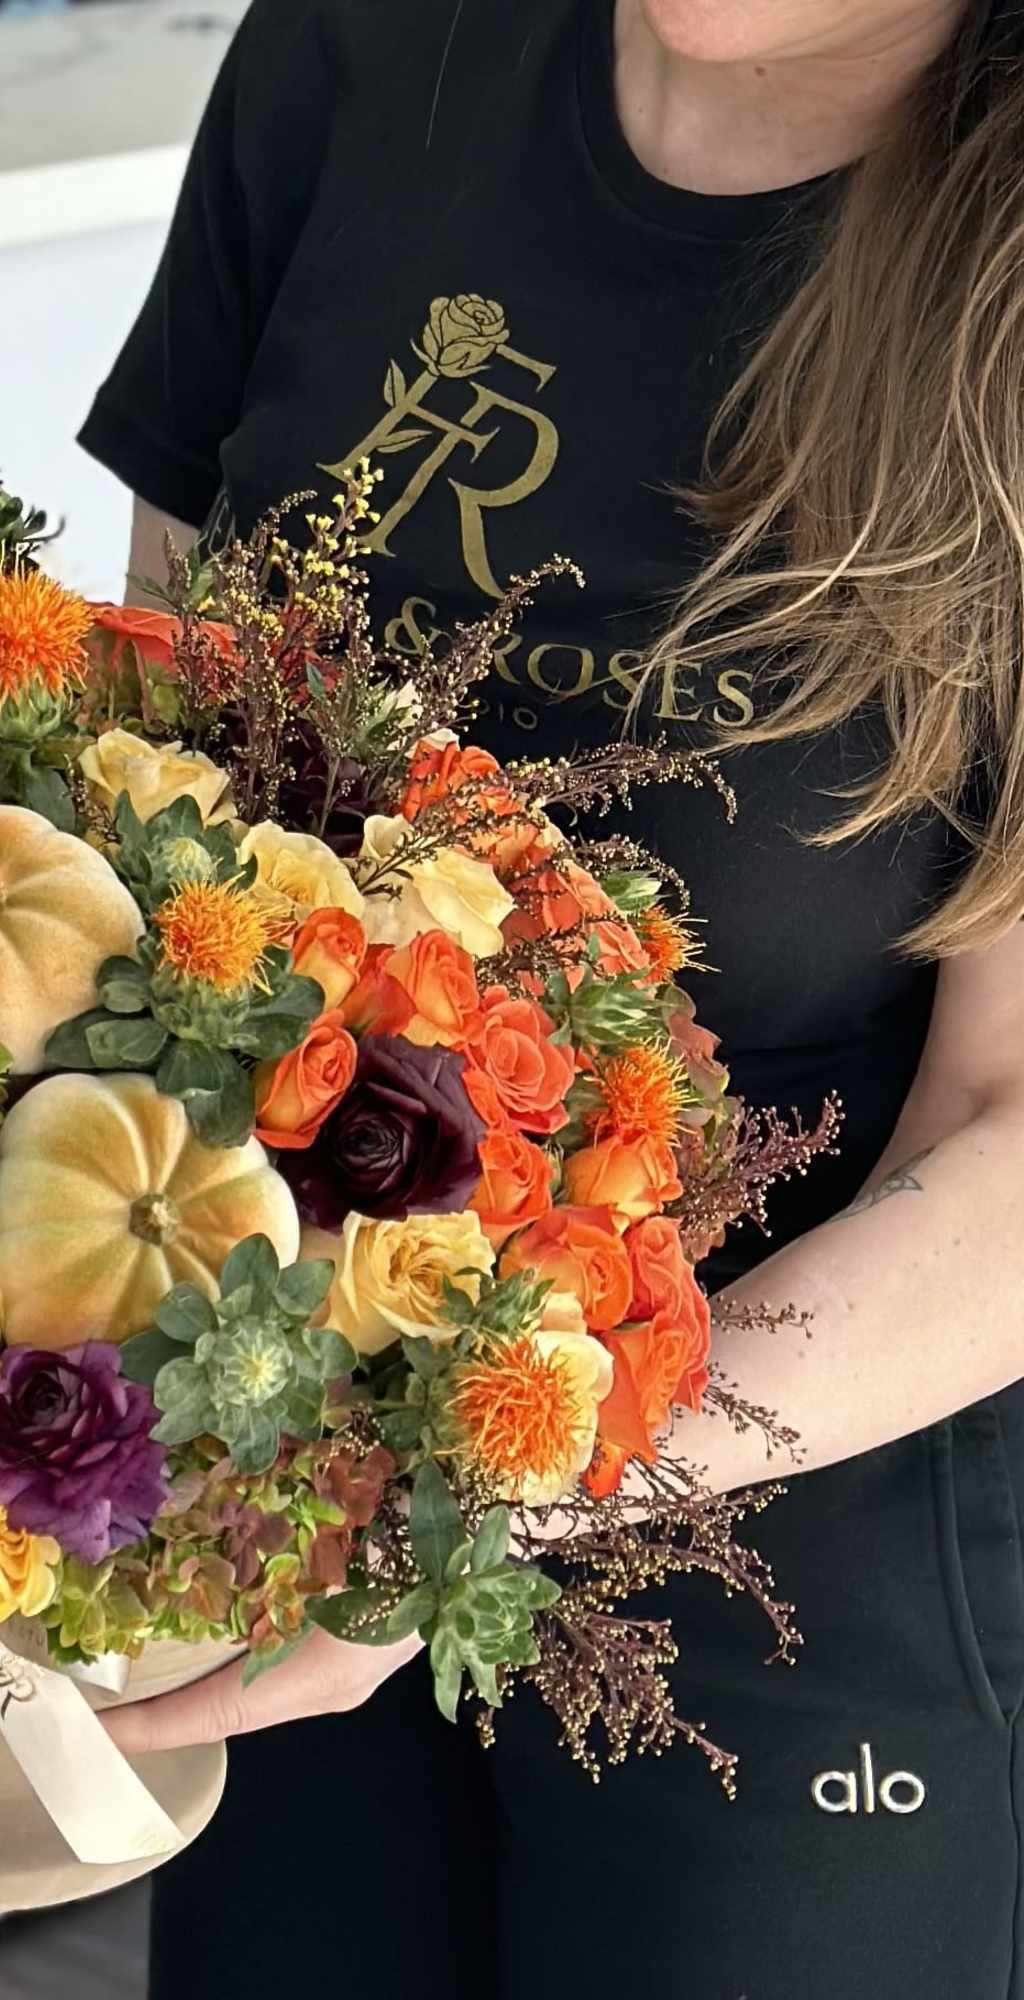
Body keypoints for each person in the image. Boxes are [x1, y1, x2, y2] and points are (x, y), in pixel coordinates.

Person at [78, 2, 1024, 1991]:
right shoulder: (355, 55)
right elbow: (144, 803)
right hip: (286, 1470)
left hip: (802, 1541)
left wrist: (486, 1486)